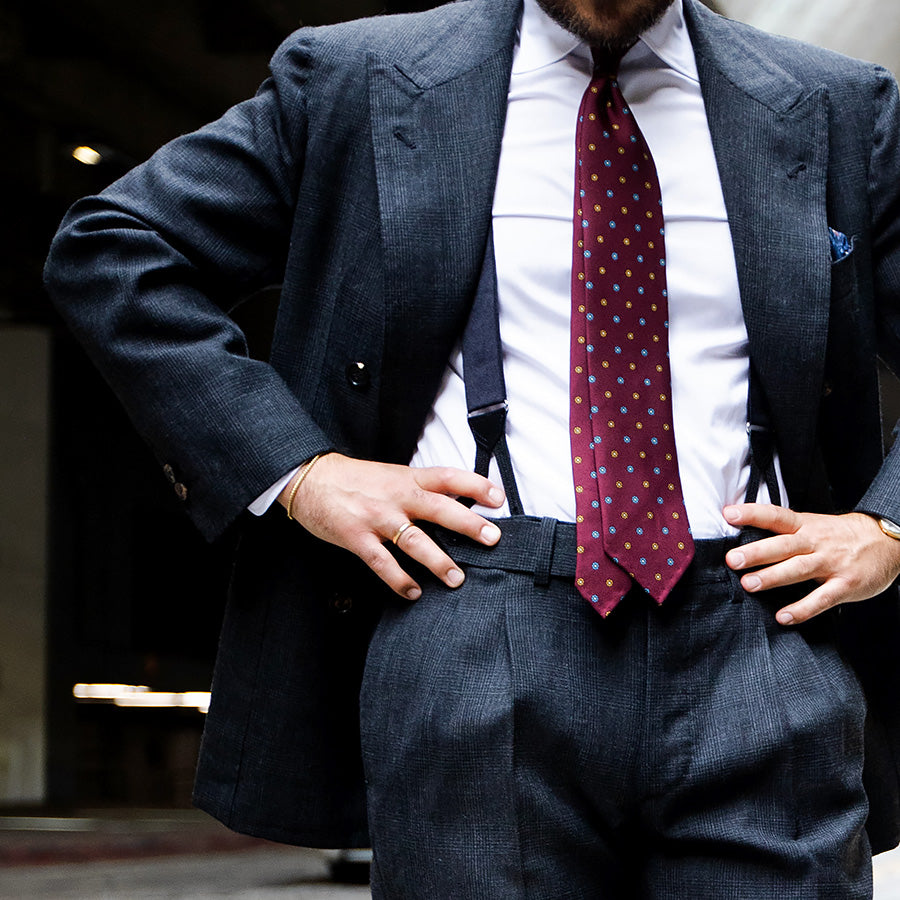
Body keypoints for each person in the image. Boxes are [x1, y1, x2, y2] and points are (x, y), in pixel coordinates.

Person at [43, 0, 900, 895]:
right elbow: (115, 249)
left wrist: (885, 527)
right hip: (473, 620)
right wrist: (299, 472)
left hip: (759, 628)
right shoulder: (357, 79)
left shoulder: (837, 107)